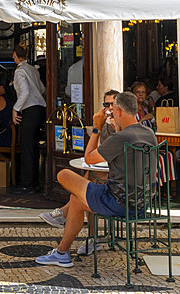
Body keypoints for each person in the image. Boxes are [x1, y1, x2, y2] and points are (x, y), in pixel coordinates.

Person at [35, 91, 157, 267]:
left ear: (119, 112)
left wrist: (97, 128)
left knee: (64, 175)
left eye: (113, 110)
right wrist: (117, 128)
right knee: (76, 200)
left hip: (119, 201)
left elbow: (89, 158)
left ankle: (62, 232)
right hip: (142, 202)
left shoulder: (122, 137)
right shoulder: (148, 133)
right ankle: (62, 251)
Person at [39, 89, 120, 231]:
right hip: (110, 174)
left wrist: (106, 128)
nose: (109, 108)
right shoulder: (106, 126)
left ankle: (65, 215)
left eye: (112, 104)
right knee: (89, 184)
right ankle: (89, 238)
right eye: (106, 105)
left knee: (86, 186)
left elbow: (97, 156)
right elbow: (96, 155)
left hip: (121, 185)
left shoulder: (125, 127)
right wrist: (98, 128)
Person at [11, 45, 46, 194]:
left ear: (14, 55)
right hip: (39, 110)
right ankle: (35, 183)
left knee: (26, 148)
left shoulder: (19, 71)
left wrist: (15, 109)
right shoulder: (32, 69)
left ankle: (27, 184)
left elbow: (25, 92)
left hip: (29, 111)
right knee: (34, 147)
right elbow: (42, 89)